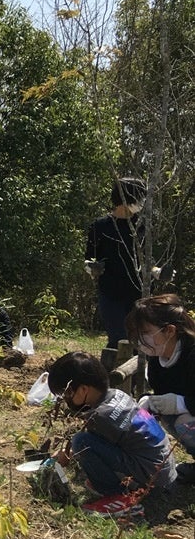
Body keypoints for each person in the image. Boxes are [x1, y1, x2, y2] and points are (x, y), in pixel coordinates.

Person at [48, 350, 176, 516]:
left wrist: (68, 456)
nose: (66, 399)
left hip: (154, 475)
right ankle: (122, 484)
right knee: (85, 443)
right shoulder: (117, 394)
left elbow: (89, 448)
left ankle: (118, 496)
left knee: (81, 442)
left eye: (67, 393)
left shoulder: (99, 416)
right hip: (164, 467)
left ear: (84, 389)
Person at [126, 294, 195, 484]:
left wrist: (180, 403)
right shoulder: (157, 360)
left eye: (145, 332)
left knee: (184, 422)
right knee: (171, 418)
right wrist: (147, 400)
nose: (140, 339)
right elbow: (162, 394)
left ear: (170, 331)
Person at [86, 177, 146, 349]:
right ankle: (111, 367)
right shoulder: (100, 226)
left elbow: (147, 259)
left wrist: (158, 271)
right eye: (139, 197)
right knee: (118, 340)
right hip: (111, 292)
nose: (142, 202)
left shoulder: (142, 225)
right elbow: (89, 258)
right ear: (126, 197)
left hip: (138, 293)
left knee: (139, 342)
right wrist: (92, 268)